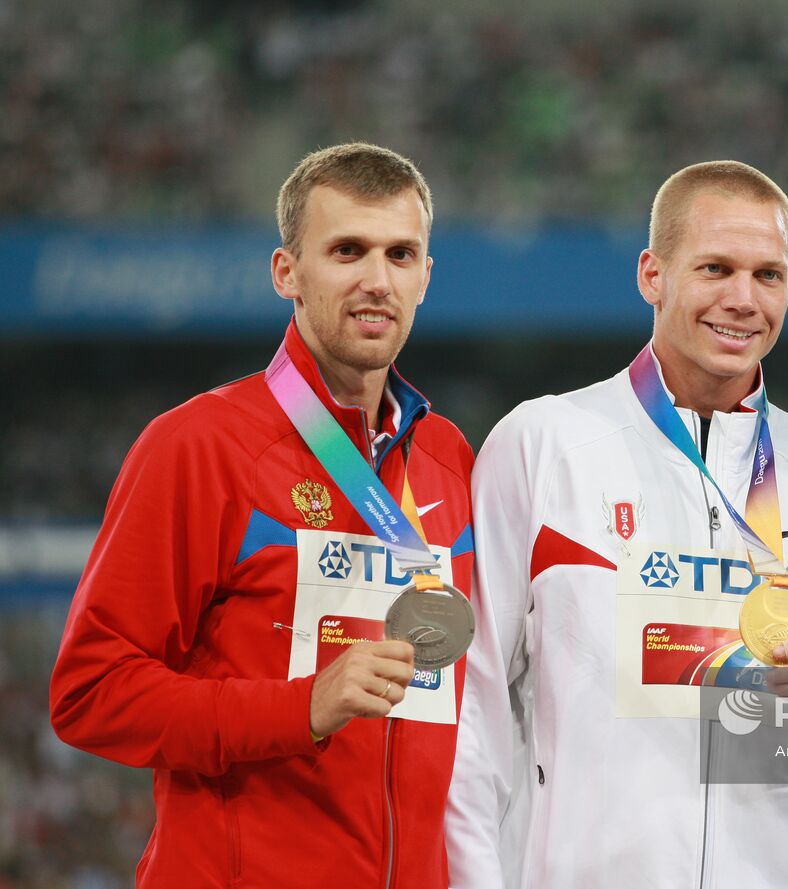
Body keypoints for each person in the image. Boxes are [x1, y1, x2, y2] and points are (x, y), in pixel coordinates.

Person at [445, 160, 788, 888]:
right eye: (716, 267)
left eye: (769, 275)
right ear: (652, 273)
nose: (743, 299)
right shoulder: (544, 443)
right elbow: (470, 709)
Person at [50, 143, 483, 887]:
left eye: (400, 254)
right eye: (347, 250)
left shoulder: (448, 457)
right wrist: (304, 705)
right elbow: (90, 692)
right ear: (287, 271)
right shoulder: (200, 444)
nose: (377, 279)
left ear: (426, 277)